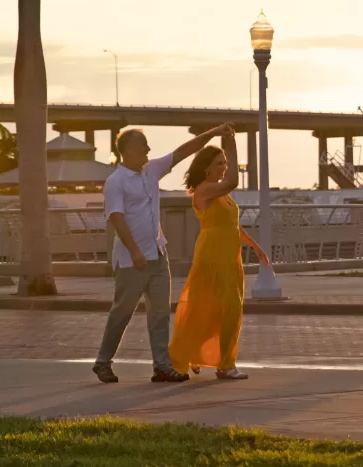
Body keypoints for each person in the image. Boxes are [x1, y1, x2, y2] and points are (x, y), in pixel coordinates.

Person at [93, 123, 235, 384]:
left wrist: (212, 133)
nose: (148, 149)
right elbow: (116, 216)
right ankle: (103, 362)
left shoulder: (151, 170)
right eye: (143, 146)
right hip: (131, 260)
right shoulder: (115, 181)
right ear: (128, 150)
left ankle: (162, 366)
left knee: (159, 313)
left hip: (158, 254)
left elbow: (182, 151)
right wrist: (134, 251)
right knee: (122, 312)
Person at [169, 144, 269, 380]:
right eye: (219, 163)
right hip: (212, 255)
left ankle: (199, 355)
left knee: (223, 309)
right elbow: (233, 181)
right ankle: (223, 364)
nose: (224, 168)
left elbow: (233, 225)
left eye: (225, 163)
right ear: (206, 169)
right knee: (216, 308)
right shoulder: (204, 190)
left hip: (229, 255)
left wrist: (254, 245)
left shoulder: (221, 193)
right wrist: (232, 146)